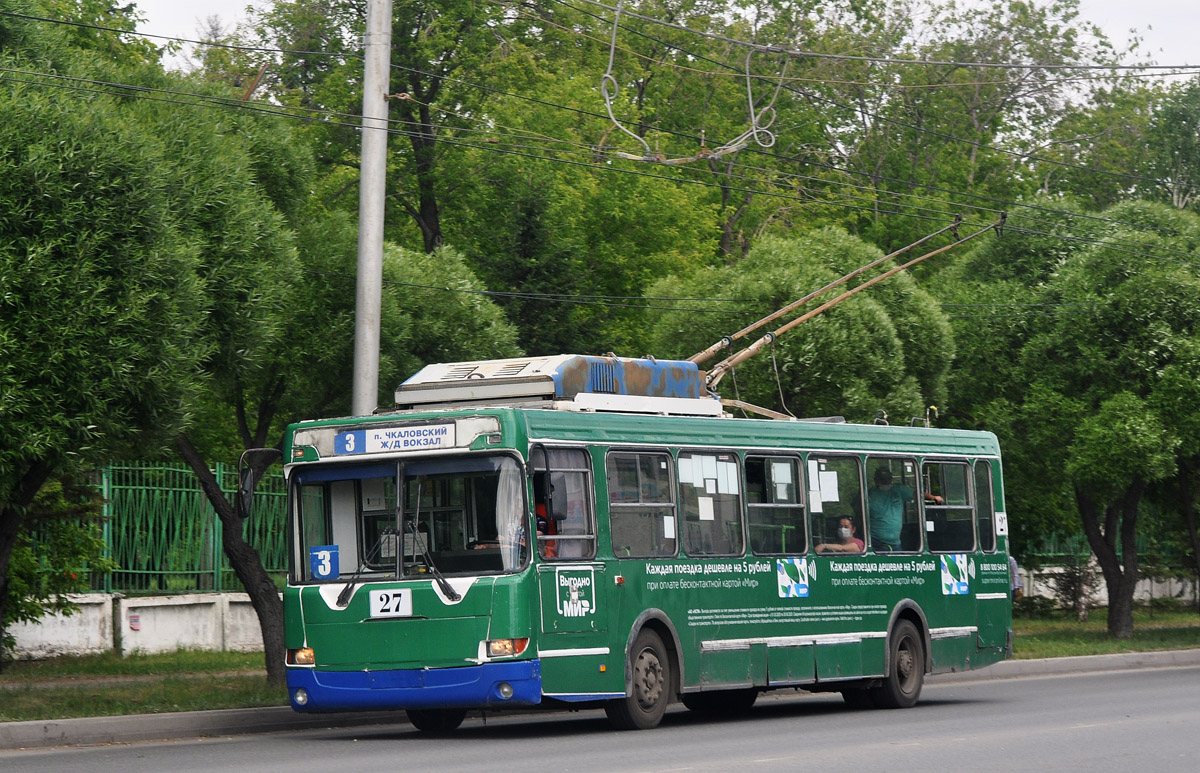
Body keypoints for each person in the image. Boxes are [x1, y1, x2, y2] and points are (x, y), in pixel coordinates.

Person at [868, 467, 942, 552]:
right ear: (876, 480)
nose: (885, 481)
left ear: (891, 479)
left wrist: (933, 497)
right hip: (876, 543)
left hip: (895, 544)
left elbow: (917, 494)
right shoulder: (869, 494)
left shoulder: (899, 490)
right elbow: (858, 510)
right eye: (882, 479)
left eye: (888, 479)